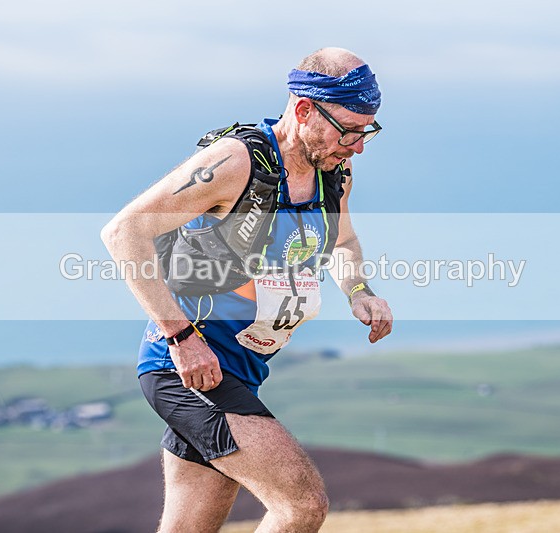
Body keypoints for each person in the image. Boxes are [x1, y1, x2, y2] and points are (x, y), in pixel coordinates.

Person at [101, 47, 393, 533]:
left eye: (368, 130)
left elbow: (344, 240)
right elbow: (123, 232)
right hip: (189, 371)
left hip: (241, 369)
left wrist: (359, 290)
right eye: (349, 129)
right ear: (304, 111)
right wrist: (180, 336)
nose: (358, 144)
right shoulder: (236, 162)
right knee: (301, 505)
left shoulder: (333, 173)